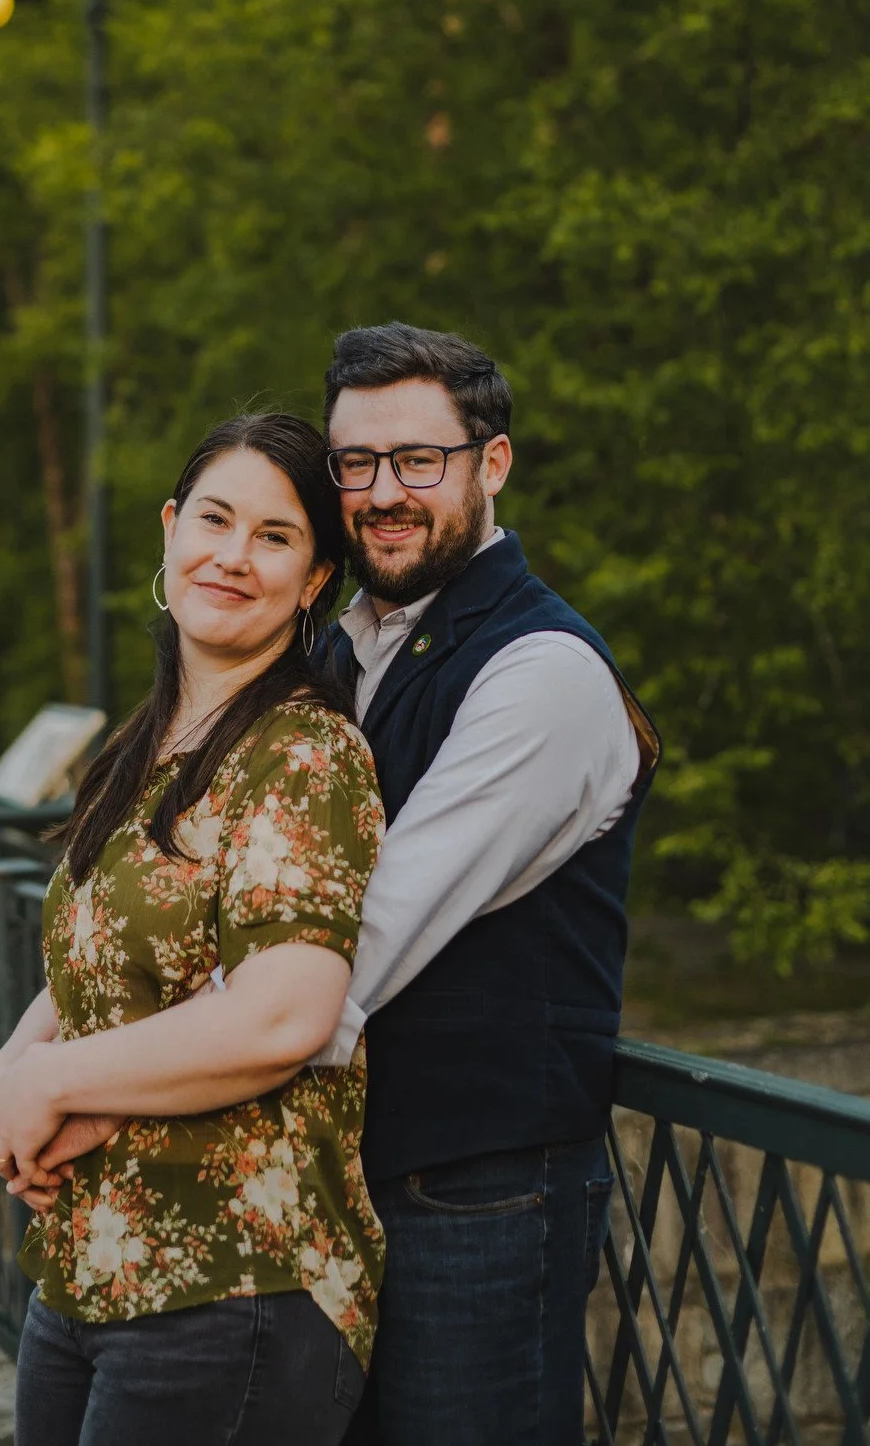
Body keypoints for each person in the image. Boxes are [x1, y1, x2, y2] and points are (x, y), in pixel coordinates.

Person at [0, 413, 386, 1446]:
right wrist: (13, 1067)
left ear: (315, 582)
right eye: (215, 518)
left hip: (233, 1285)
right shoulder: (144, 742)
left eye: (275, 536)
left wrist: (56, 1082)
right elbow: (103, 956)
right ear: (171, 529)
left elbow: (283, 1017)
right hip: (89, 1264)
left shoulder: (306, 756)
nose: (233, 556)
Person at [312, 323, 661, 1446]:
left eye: (420, 459)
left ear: (491, 463)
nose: (382, 493)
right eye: (355, 464)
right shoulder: (336, 649)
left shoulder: (543, 669)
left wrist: (120, 1073)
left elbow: (363, 939)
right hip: (333, 1179)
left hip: (478, 1191)